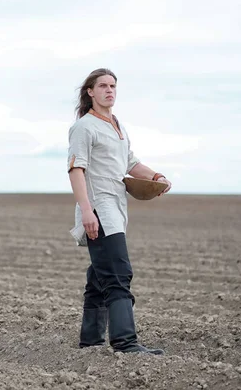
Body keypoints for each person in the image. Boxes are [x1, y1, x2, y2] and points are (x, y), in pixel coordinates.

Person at [67, 68, 171, 354]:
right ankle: (125, 342)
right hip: (98, 209)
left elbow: (130, 162)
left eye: (113, 86)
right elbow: (76, 169)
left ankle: (90, 341)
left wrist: (155, 177)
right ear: (90, 91)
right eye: (103, 86)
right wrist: (86, 211)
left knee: (98, 275)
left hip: (116, 209)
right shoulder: (83, 127)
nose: (109, 90)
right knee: (118, 273)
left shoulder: (116, 125)